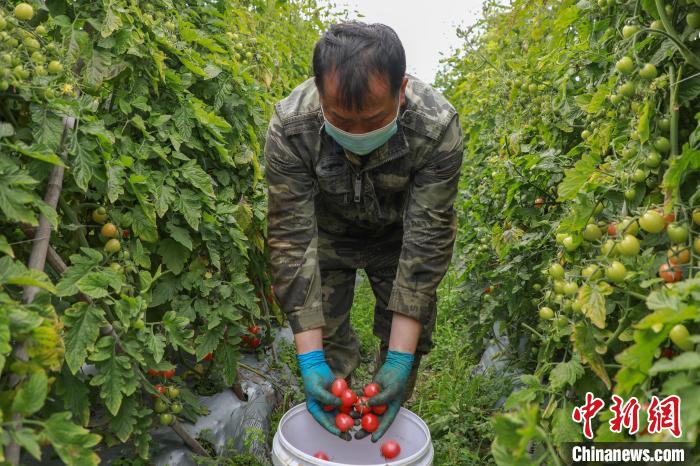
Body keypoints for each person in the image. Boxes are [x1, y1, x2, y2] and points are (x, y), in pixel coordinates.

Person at [264, 21, 463, 442]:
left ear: (402, 88)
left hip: (398, 239)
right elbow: (291, 240)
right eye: (339, 118)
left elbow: (426, 241)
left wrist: (401, 358)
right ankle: (333, 428)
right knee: (327, 342)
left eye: (372, 119)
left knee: (405, 344)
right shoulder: (292, 126)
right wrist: (311, 359)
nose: (357, 134)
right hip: (326, 234)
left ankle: (386, 401)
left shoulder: (436, 128)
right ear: (320, 94)